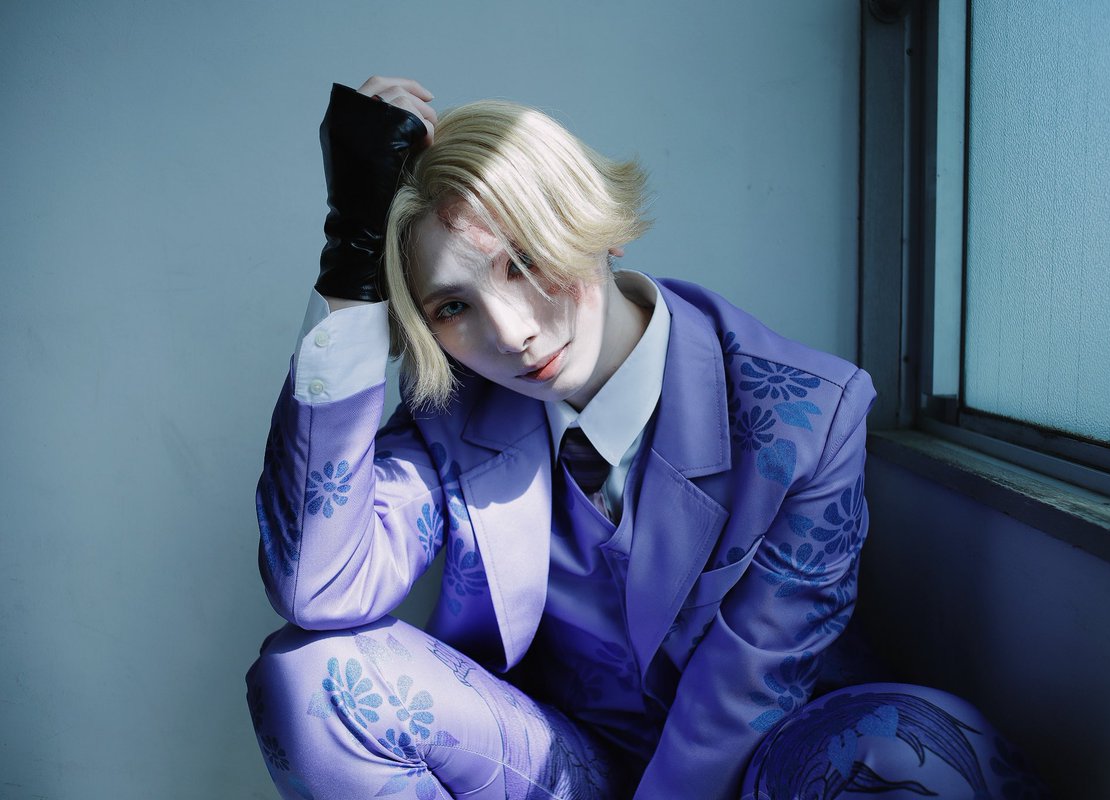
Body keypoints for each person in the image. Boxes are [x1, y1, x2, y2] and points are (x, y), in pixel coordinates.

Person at [246, 76, 1047, 800]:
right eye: (452, 307)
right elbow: (320, 586)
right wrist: (352, 252)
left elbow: (745, 697)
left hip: (769, 766)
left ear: (593, 224)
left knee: (914, 741)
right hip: (567, 766)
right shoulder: (454, 412)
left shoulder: (806, 416)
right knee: (310, 674)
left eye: (523, 262)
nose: (512, 333)